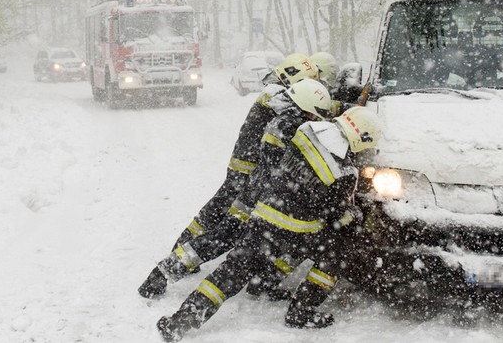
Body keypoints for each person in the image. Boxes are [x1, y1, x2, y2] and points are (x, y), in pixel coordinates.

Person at [156, 106, 383, 342]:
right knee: (334, 254)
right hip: (297, 231)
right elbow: (333, 216)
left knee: (231, 272)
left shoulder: (306, 130)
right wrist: (354, 215)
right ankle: (301, 312)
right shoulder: (344, 172)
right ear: (361, 137)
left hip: (263, 216)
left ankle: (180, 320)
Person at [137, 53, 319, 298]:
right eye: (308, 82)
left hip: (251, 174)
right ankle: (172, 262)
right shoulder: (277, 96)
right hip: (248, 173)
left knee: (221, 222)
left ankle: (173, 261)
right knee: (224, 227)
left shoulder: (278, 94)